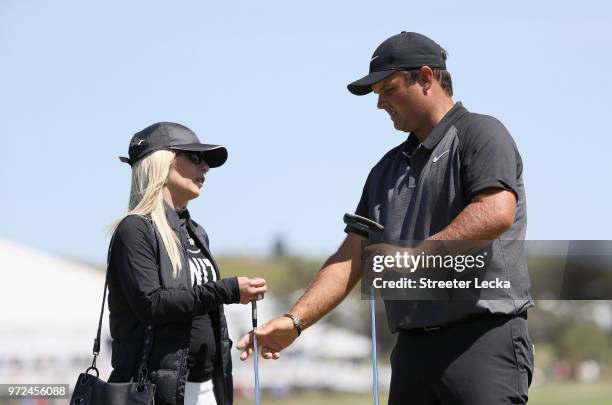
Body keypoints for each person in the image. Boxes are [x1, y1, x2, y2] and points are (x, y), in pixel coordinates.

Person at [237, 32, 534, 404]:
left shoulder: (481, 133)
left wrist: (416, 256)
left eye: (388, 89)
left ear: (426, 77)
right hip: (411, 350)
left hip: (481, 340)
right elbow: (351, 257)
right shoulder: (385, 170)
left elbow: (496, 211)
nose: (379, 104)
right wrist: (295, 322)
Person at [108, 122, 267, 405]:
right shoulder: (135, 229)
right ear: (162, 162)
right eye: (194, 157)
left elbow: (200, 308)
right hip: (154, 391)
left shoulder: (196, 231)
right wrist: (227, 290)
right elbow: (152, 304)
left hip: (207, 386)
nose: (205, 166)